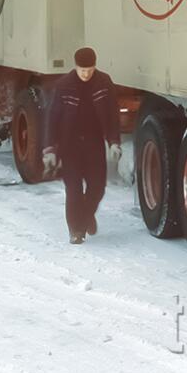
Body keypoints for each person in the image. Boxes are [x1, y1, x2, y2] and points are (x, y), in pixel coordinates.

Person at [43, 47, 122, 244]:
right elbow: (53, 118)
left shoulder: (104, 83)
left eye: (89, 70)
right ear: (76, 67)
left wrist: (114, 142)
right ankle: (76, 230)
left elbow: (113, 115)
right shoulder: (64, 85)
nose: (86, 74)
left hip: (94, 143)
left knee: (98, 187)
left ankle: (86, 216)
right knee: (74, 189)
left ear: (95, 67)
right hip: (69, 145)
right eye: (82, 70)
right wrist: (50, 149)